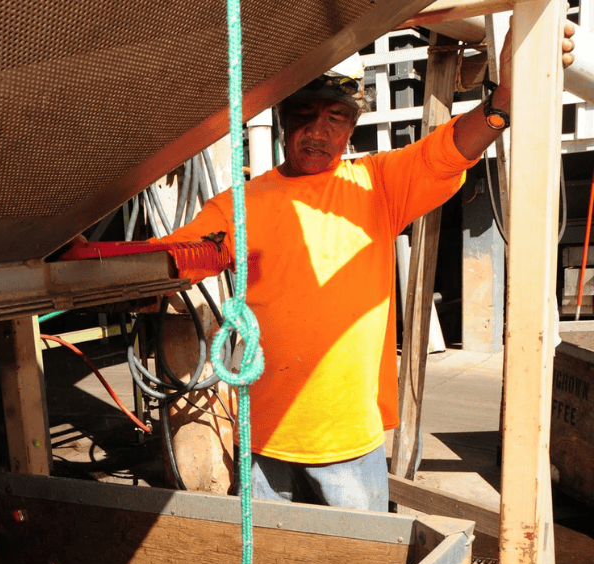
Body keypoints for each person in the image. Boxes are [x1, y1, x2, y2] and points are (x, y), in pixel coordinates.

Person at [162, 21, 575, 511]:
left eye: (337, 117)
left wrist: (502, 102)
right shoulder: (239, 205)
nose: (319, 132)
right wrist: (78, 254)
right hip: (263, 437)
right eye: (305, 114)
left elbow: (445, 153)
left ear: (352, 127)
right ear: (282, 120)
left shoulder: (377, 185)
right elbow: (173, 259)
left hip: (349, 439)